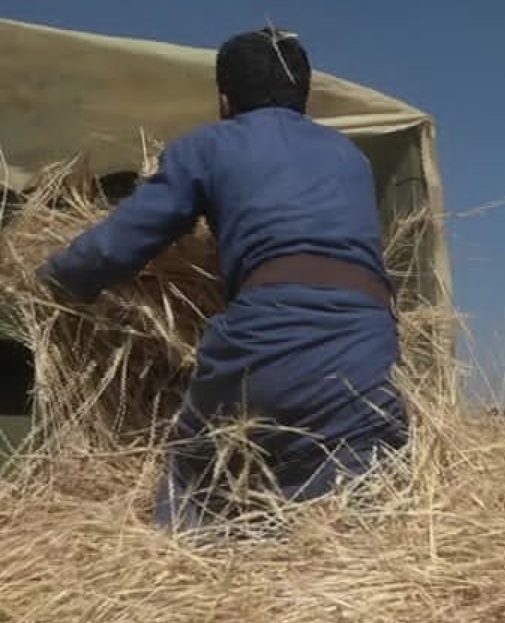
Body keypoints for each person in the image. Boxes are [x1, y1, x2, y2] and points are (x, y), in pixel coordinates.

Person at [36, 27, 408, 530]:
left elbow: (126, 238)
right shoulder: (350, 158)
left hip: (274, 338)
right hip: (372, 355)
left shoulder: (211, 146)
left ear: (225, 100)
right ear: (304, 98)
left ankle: (183, 574)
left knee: (198, 466)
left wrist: (57, 280)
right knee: (352, 506)